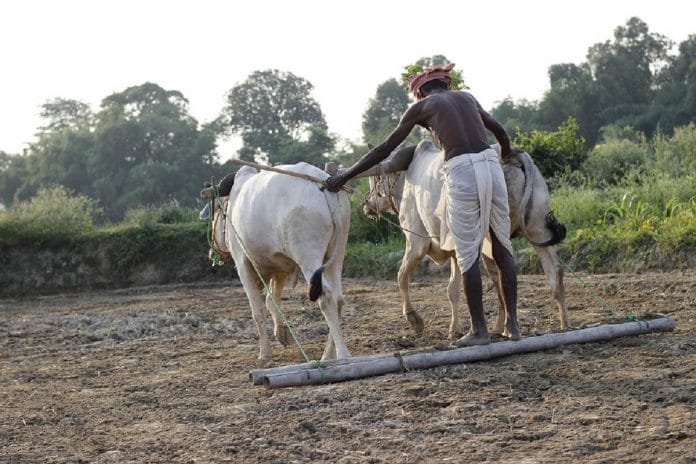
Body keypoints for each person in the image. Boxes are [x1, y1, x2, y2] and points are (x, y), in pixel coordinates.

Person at [324, 63, 520, 346]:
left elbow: (384, 150)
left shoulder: (420, 108)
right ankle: (513, 326)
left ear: (419, 93)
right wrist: (506, 152)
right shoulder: (466, 97)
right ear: (446, 85)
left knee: (467, 255)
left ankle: (479, 331)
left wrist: (344, 175)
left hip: (460, 169)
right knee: (501, 245)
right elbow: (500, 130)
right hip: (491, 163)